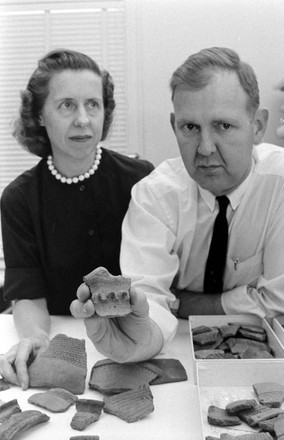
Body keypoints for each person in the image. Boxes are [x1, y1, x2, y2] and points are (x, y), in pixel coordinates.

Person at [72, 46, 284, 359]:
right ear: (174, 125)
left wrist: (183, 301)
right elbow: (149, 301)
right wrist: (138, 340)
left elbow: (280, 299)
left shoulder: (280, 184)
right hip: (176, 348)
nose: (206, 148)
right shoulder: (153, 197)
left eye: (223, 126)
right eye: (190, 127)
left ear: (258, 126)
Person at [0, 48, 154, 389]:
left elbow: (156, 282)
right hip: (59, 339)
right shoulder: (18, 198)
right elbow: (27, 293)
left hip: (131, 339)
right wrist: (37, 338)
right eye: (66, 105)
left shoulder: (142, 180)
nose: (83, 119)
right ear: (39, 114)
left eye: (92, 104)